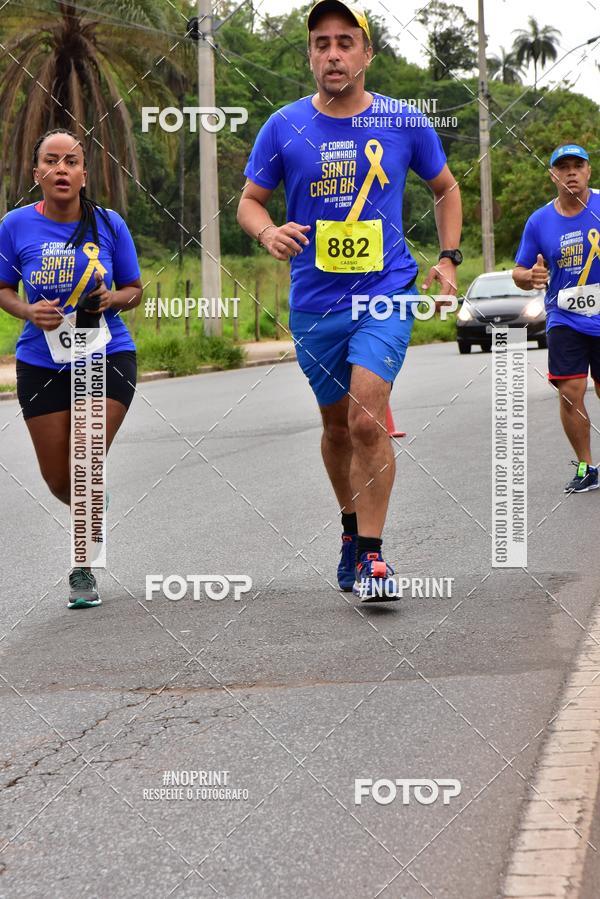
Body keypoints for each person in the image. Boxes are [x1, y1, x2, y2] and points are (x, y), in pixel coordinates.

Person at [237, 0, 462, 600]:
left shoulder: (403, 121)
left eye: (344, 42)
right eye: (320, 43)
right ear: (310, 54)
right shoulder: (283, 126)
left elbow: (446, 187)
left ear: (366, 53)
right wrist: (267, 232)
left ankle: (373, 556)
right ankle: (347, 528)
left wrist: (447, 258)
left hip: (386, 290)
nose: (332, 53)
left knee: (367, 414)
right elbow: (249, 201)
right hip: (315, 302)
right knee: (336, 426)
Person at [0, 129, 142, 607]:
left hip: (106, 353)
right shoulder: (15, 226)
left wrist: (112, 298)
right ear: (37, 172)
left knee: (83, 456)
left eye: (72, 161)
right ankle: (90, 509)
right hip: (42, 363)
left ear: (85, 174)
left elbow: (135, 288)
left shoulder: (109, 223)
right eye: (51, 161)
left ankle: (83, 566)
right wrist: (26, 311)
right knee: (60, 479)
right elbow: (2, 289)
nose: (62, 169)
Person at [513, 143, 600, 493]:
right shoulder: (539, 221)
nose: (571, 173)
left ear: (588, 171)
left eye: (577, 166)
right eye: (563, 168)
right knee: (570, 392)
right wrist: (529, 277)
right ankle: (586, 466)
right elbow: (519, 270)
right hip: (565, 318)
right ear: (553, 175)